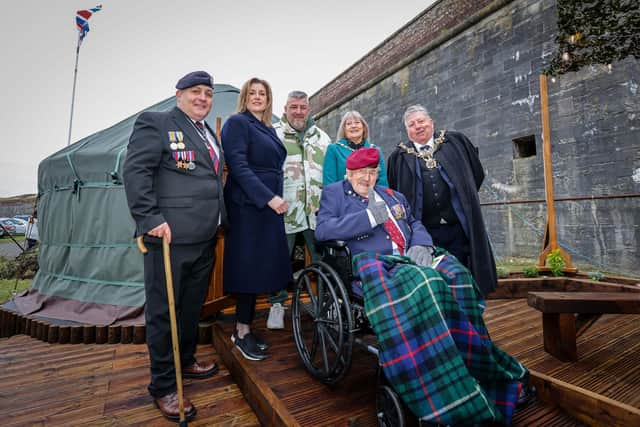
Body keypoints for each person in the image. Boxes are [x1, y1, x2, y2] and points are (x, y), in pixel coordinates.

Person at [315, 148, 531, 426]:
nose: (366, 178)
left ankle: (474, 359)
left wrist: (421, 244)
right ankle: (441, 377)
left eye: (371, 172)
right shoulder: (335, 193)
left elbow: (414, 222)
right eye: (360, 173)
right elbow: (323, 231)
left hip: (412, 256)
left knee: (459, 275)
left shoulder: (393, 196)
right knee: (427, 283)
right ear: (349, 173)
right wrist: (369, 218)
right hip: (377, 263)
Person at [123, 71, 224, 422]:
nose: (203, 98)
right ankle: (164, 385)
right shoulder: (157, 122)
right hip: (169, 238)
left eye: (208, 93)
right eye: (196, 91)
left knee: (189, 308)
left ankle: (185, 361)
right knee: (164, 313)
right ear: (178, 94)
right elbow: (136, 172)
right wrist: (149, 218)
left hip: (205, 237)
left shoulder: (207, 133)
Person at [387, 104, 497, 295]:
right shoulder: (399, 156)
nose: (418, 126)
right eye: (412, 124)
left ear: (431, 122)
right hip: (425, 231)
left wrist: (466, 195)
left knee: (463, 270)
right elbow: (395, 190)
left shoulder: (454, 142)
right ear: (407, 131)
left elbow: (476, 173)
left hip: (459, 225)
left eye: (421, 121)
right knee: (433, 273)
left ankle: (467, 309)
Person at [221, 77, 292, 360]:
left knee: (260, 268)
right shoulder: (237, 123)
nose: (258, 97)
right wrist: (268, 198)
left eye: (263, 93)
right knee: (247, 269)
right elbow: (238, 166)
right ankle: (240, 332)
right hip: (248, 206)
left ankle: (246, 327)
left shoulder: (267, 128)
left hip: (266, 207)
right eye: (252, 92)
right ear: (245, 97)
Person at [268, 90, 332, 328]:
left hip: (316, 211)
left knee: (322, 260)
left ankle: (325, 303)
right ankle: (277, 305)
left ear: (308, 109)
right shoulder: (273, 134)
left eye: (302, 107)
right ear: (285, 108)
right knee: (279, 260)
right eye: (293, 107)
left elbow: (331, 172)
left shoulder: (322, 137)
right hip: (284, 210)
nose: (298, 111)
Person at [323, 110, 388, 187]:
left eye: (357, 122)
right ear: (344, 129)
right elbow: (329, 183)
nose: (353, 126)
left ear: (363, 127)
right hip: (342, 197)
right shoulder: (334, 150)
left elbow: (382, 182)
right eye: (349, 124)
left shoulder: (375, 150)